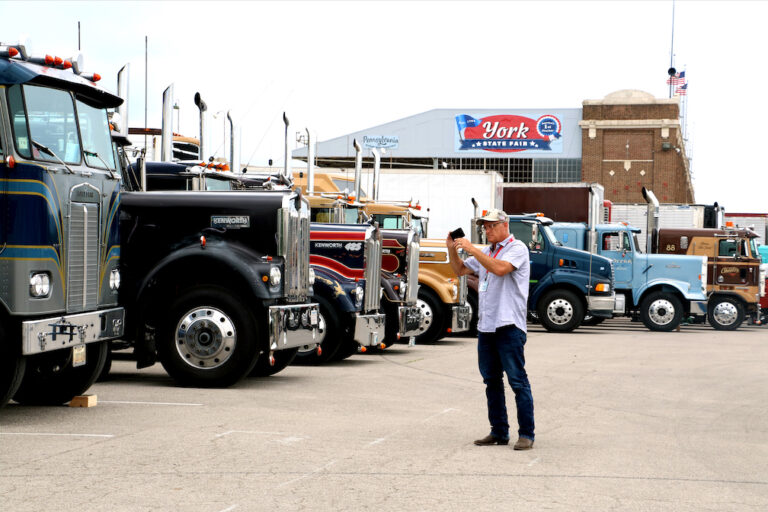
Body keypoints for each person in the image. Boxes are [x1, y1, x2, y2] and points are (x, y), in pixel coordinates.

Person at [446, 209, 535, 450]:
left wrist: (472, 248)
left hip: (508, 325)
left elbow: (500, 269)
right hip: (487, 326)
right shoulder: (487, 252)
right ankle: (498, 431)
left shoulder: (518, 249)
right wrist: (451, 249)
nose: (487, 231)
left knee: (517, 381)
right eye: (485, 227)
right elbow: (461, 270)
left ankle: (526, 433)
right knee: (491, 381)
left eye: (491, 226)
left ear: (505, 224)